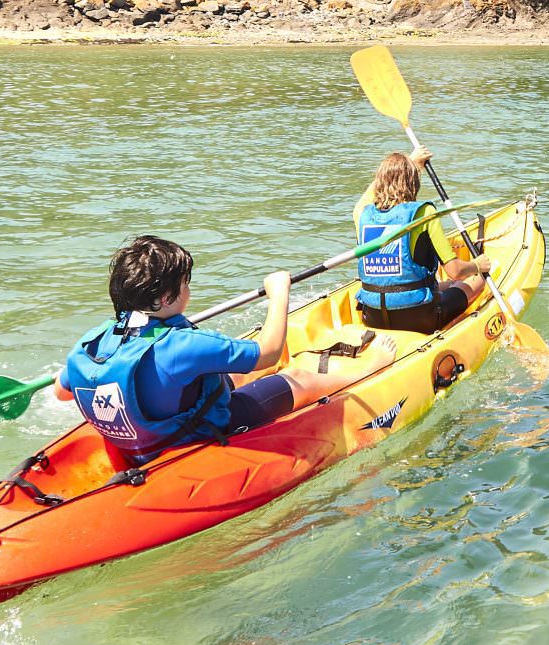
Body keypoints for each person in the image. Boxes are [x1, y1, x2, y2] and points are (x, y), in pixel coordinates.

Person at [60, 235, 320, 457]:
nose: (188, 291)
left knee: (236, 374)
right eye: (185, 284)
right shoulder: (185, 345)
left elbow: (62, 393)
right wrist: (279, 292)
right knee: (300, 378)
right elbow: (270, 353)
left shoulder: (92, 342)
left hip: (145, 436)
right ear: (165, 298)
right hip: (190, 435)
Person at [352, 149, 491, 334]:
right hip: (419, 319)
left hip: (372, 317)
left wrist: (410, 162)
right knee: (476, 280)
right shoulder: (424, 214)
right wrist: (477, 265)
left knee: (446, 286)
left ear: (380, 181)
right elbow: (455, 271)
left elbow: (368, 195)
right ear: (413, 182)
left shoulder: (362, 214)